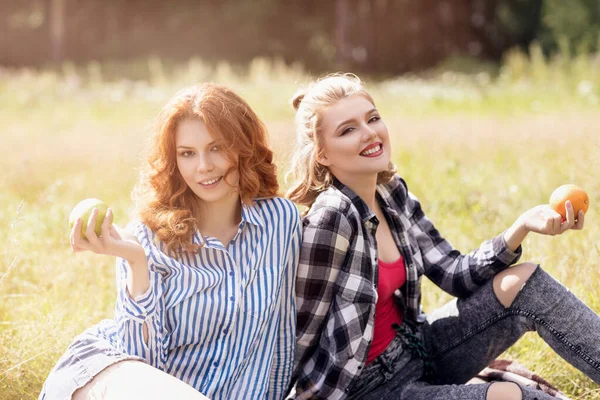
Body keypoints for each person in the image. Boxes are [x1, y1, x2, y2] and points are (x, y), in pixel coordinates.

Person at [285, 73, 598, 400]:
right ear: (322, 154)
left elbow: (453, 274)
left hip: (417, 348)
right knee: (509, 395)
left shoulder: (392, 193)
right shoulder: (331, 218)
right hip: (367, 388)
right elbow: (298, 331)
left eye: (372, 118)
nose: (369, 133)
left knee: (525, 282)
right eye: (348, 130)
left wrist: (520, 227)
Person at [40, 83, 301, 400]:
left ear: (243, 146)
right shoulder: (146, 237)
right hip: (113, 376)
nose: (203, 166)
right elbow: (140, 362)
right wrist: (137, 262)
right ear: (174, 160)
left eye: (216, 147)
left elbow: (282, 333)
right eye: (187, 154)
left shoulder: (280, 221)